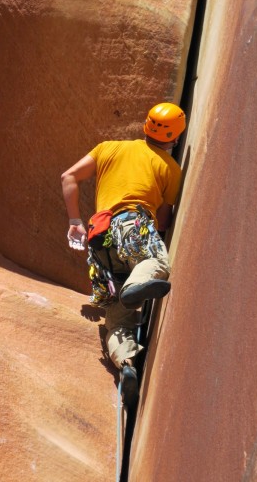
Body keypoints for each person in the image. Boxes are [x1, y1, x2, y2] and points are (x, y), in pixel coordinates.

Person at [61, 103, 185, 405]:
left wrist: (75, 221)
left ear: (146, 126)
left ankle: (126, 365)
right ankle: (133, 288)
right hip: (133, 223)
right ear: (176, 136)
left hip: (99, 241)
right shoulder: (169, 168)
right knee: (154, 262)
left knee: (118, 320)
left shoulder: (109, 148)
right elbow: (164, 220)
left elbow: (68, 177)